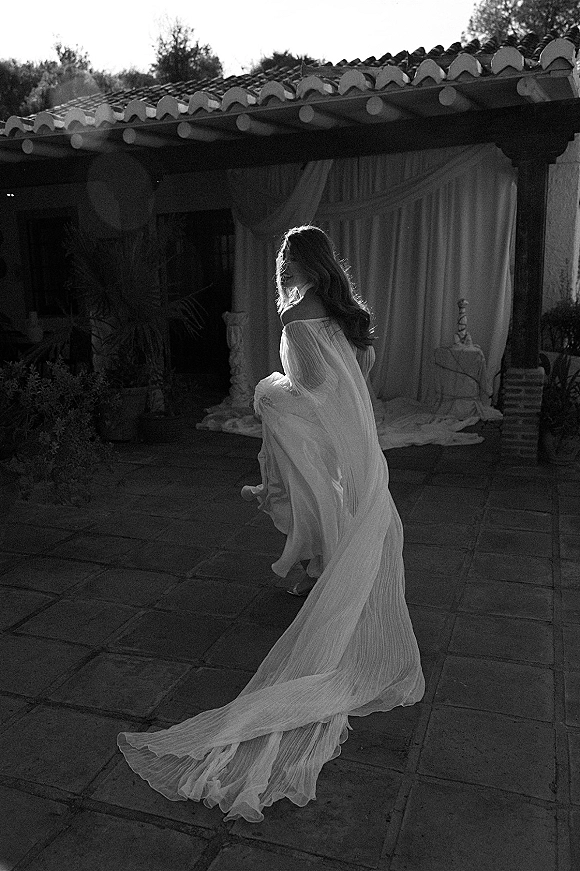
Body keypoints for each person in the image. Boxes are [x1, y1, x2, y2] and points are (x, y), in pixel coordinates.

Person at [117, 225, 424, 823]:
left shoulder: (297, 319)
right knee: (341, 511)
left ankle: (330, 587)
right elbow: (351, 376)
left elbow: (309, 386)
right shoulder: (338, 309)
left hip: (324, 428)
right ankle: (324, 572)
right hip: (353, 440)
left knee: (319, 499)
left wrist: (269, 392)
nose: (280, 269)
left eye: (285, 260)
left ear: (301, 263)